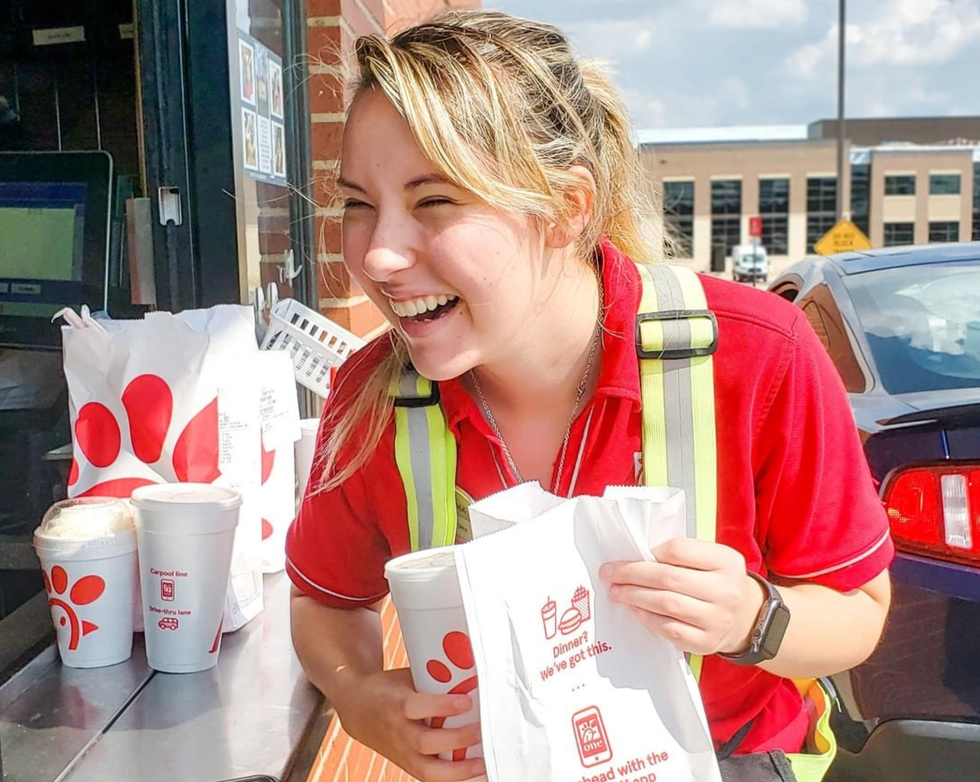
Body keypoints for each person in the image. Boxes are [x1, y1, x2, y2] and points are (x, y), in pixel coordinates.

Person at [287, 11, 893, 782]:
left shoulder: (757, 354)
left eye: (434, 199)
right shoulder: (369, 395)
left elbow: (861, 612)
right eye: (358, 202)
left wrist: (752, 617)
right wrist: (362, 700)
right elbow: (325, 604)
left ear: (567, 209)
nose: (376, 252)